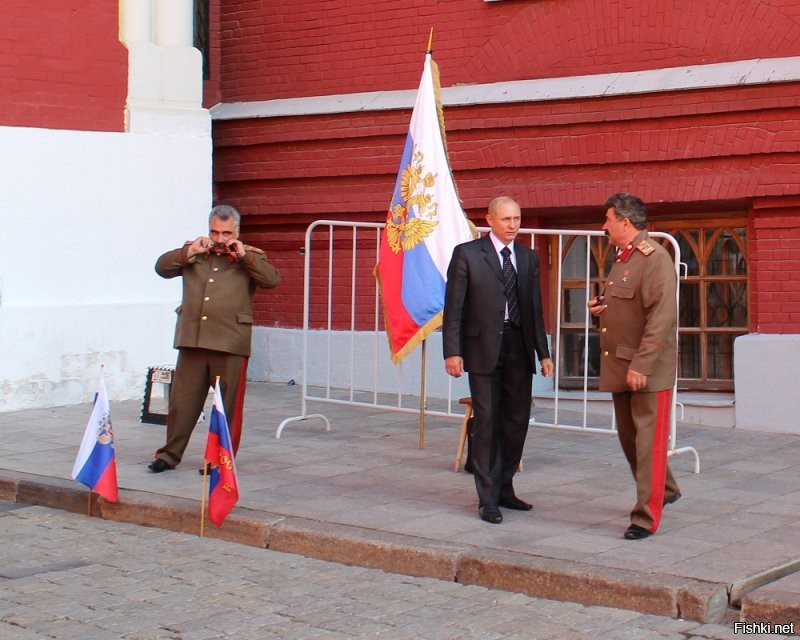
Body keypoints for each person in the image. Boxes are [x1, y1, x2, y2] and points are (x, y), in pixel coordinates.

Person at [443, 196, 554, 524]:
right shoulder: (467, 254)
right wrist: (452, 351)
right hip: (482, 350)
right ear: (490, 220)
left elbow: (534, 308)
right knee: (488, 421)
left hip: (518, 347)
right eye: (506, 219)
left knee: (516, 421)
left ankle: (505, 487)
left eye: (517, 219)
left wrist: (543, 353)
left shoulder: (528, 257)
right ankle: (487, 497)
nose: (513, 225)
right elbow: (455, 307)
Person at [148, 205, 280, 473]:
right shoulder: (196, 253)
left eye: (226, 232)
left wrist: (244, 257)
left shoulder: (249, 257)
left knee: (227, 407)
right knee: (182, 404)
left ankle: (220, 459)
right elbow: (161, 268)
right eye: (215, 232)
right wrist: (188, 252)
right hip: (193, 340)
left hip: (230, 342)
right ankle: (169, 455)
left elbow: (271, 280)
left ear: (237, 231)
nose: (220, 239)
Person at [588, 193, 682, 540]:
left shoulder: (654, 257)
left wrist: (642, 364)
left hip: (647, 368)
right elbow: (627, 305)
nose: (604, 226)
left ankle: (645, 517)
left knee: (648, 444)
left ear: (624, 223)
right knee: (631, 441)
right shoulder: (623, 256)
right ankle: (666, 490)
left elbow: (662, 317)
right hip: (621, 365)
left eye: (608, 220)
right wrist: (600, 309)